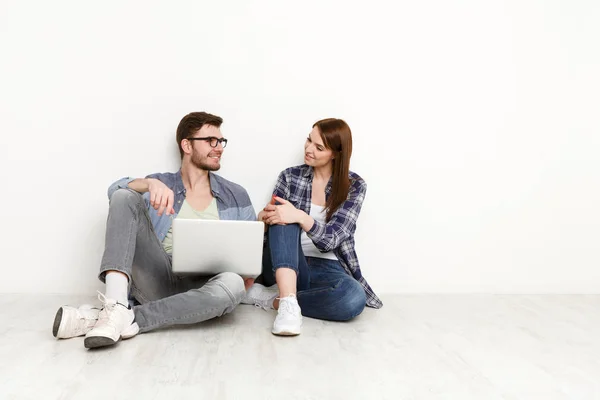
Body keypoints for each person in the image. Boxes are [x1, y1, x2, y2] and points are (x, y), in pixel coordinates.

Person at [52, 112, 256, 348]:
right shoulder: (159, 184)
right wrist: (147, 184)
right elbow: (114, 193)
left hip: (202, 291)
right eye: (210, 140)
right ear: (187, 145)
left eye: (221, 141)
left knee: (233, 285)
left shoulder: (236, 195)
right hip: (157, 277)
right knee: (124, 196)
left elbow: (250, 255)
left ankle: (118, 315)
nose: (218, 147)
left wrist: (245, 275)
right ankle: (118, 303)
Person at [242, 118, 382, 336]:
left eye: (319, 147)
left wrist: (299, 215)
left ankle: (275, 300)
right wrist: (265, 219)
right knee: (282, 216)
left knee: (353, 298)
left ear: (335, 153)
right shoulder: (290, 176)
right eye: (309, 140)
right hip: (283, 262)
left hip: (327, 268)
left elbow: (331, 240)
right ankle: (288, 302)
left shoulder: (354, 186)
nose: (308, 149)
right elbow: (271, 225)